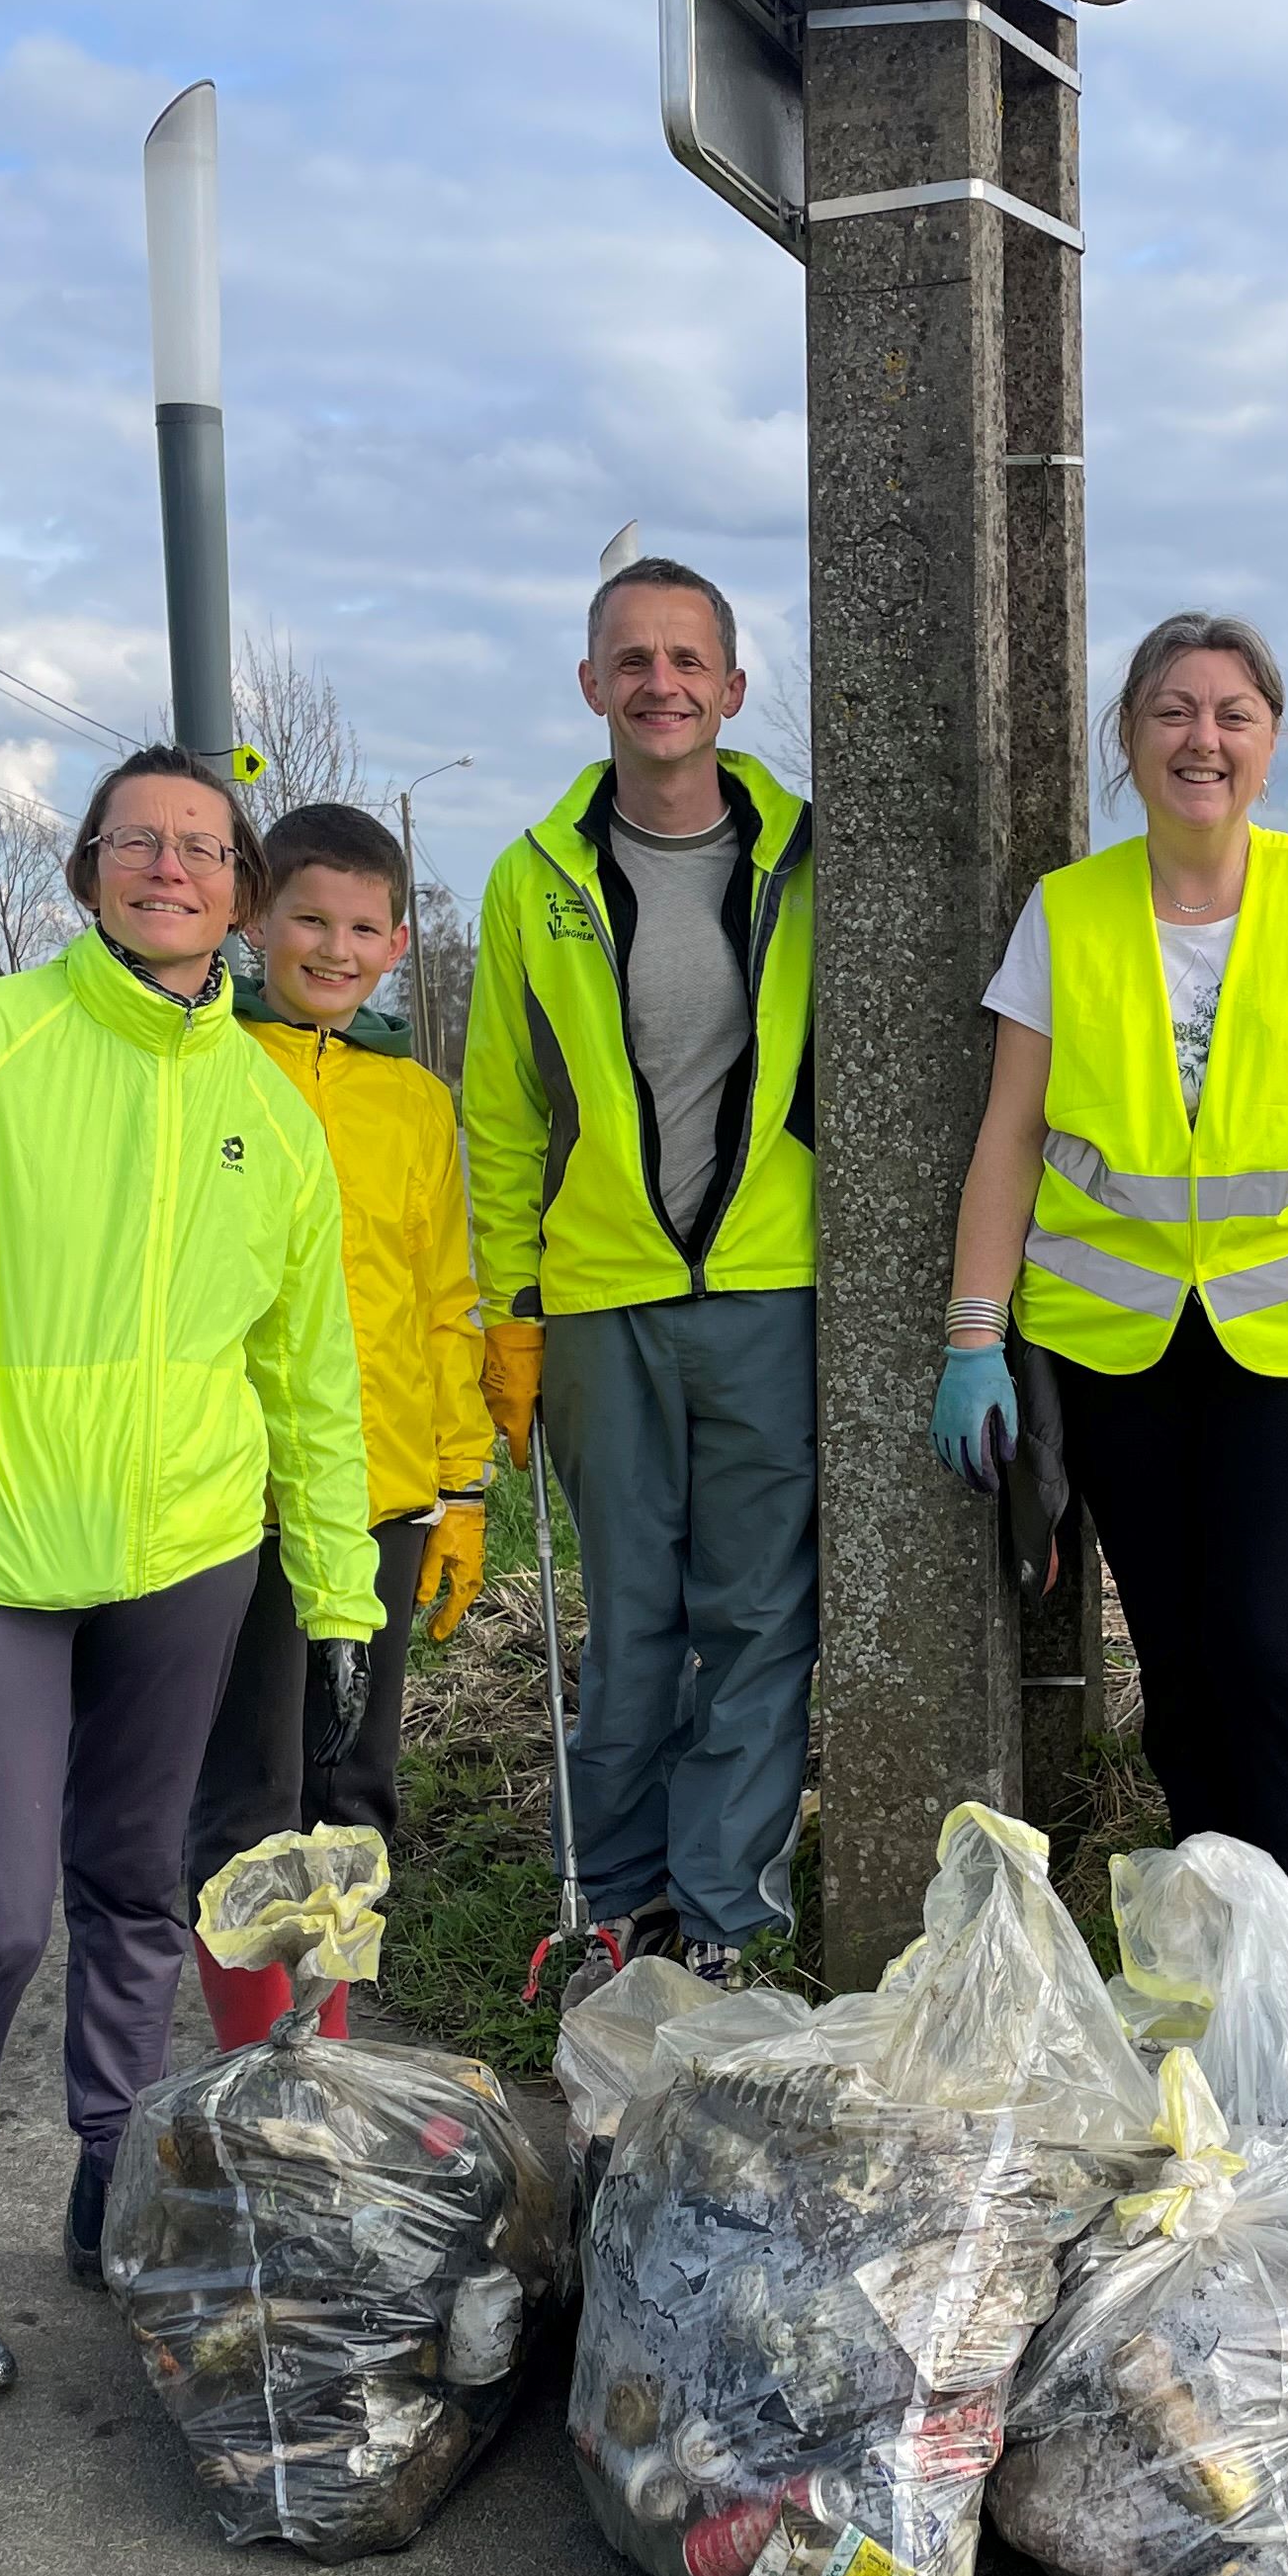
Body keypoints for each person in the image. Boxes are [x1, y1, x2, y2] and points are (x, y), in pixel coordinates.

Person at [0, 744, 381, 2398]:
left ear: (240, 894)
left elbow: (309, 1377)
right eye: (138, 842)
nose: (169, 868)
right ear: (86, 871)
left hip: (184, 1552)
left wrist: (339, 1592)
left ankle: (112, 2181)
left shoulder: (269, 1106)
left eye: (202, 847)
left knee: (129, 1890)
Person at [930, 612, 1288, 1962]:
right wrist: (973, 1335)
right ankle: (1219, 1947)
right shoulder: (1070, 911)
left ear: (1271, 742)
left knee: (1275, 1637)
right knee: (1176, 1662)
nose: (1200, 737)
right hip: (1119, 1351)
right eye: (1171, 710)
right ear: (1130, 738)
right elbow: (1013, 1133)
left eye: (1231, 712)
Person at [463, 557, 816, 1991]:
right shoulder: (531, 875)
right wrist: (511, 1311)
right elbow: (499, 1114)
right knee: (633, 1624)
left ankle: (723, 1916)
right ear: (593, 684)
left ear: (732, 691)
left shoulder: (811, 858)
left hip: (768, 1291)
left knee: (756, 1619)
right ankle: (609, 1908)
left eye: (688, 660)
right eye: (631, 658)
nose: (659, 683)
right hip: (598, 1302)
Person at [182, 801, 492, 2049]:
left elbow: (443, 1298)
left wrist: (461, 1484)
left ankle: (334, 2056)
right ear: (256, 919)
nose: (334, 947)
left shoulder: (415, 1101)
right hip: (238, 1493)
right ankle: (258, 2060)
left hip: (385, 1490)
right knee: (248, 1789)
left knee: (351, 1784)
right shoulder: (206, 1066)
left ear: (400, 943)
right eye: (309, 918)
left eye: (364, 927)